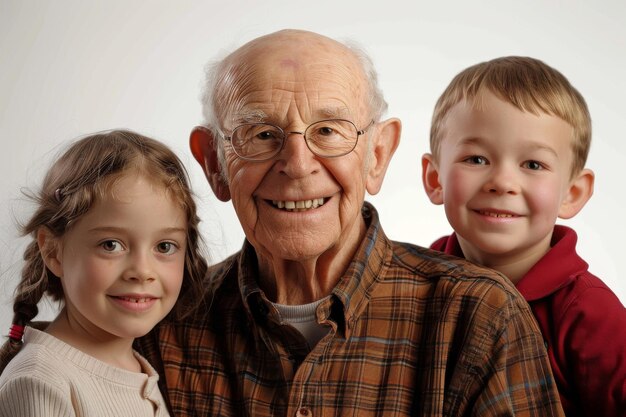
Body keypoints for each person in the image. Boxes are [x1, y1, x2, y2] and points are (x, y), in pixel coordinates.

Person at [136, 30, 565, 416]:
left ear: (377, 155)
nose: (298, 165)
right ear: (214, 164)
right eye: (261, 134)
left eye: (328, 131)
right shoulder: (163, 325)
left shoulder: (478, 318)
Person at [421, 56, 626, 416]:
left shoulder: (588, 314)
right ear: (435, 178)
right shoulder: (411, 289)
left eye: (533, 165)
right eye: (476, 159)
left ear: (572, 193)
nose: (502, 182)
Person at [0, 130, 207, 417]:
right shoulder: (41, 383)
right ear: (52, 252)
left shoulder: (141, 367)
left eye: (165, 246)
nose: (142, 271)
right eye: (111, 245)